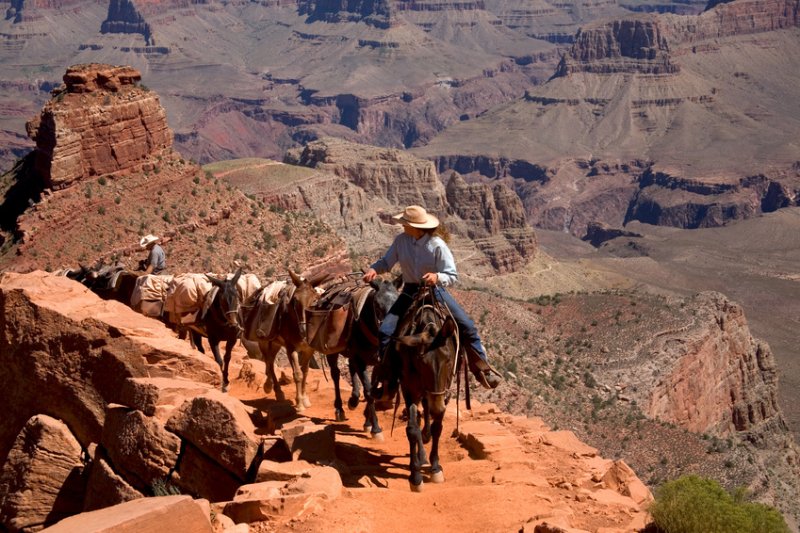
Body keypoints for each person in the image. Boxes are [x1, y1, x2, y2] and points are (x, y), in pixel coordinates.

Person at [363, 205, 501, 396]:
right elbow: (386, 262)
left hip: (435, 290)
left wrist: (437, 277)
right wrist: (374, 269)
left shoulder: (437, 245)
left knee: (467, 326)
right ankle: (388, 378)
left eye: (405, 223)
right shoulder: (401, 241)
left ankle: (482, 369)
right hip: (410, 291)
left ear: (416, 226)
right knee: (386, 330)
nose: (403, 226)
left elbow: (451, 274)